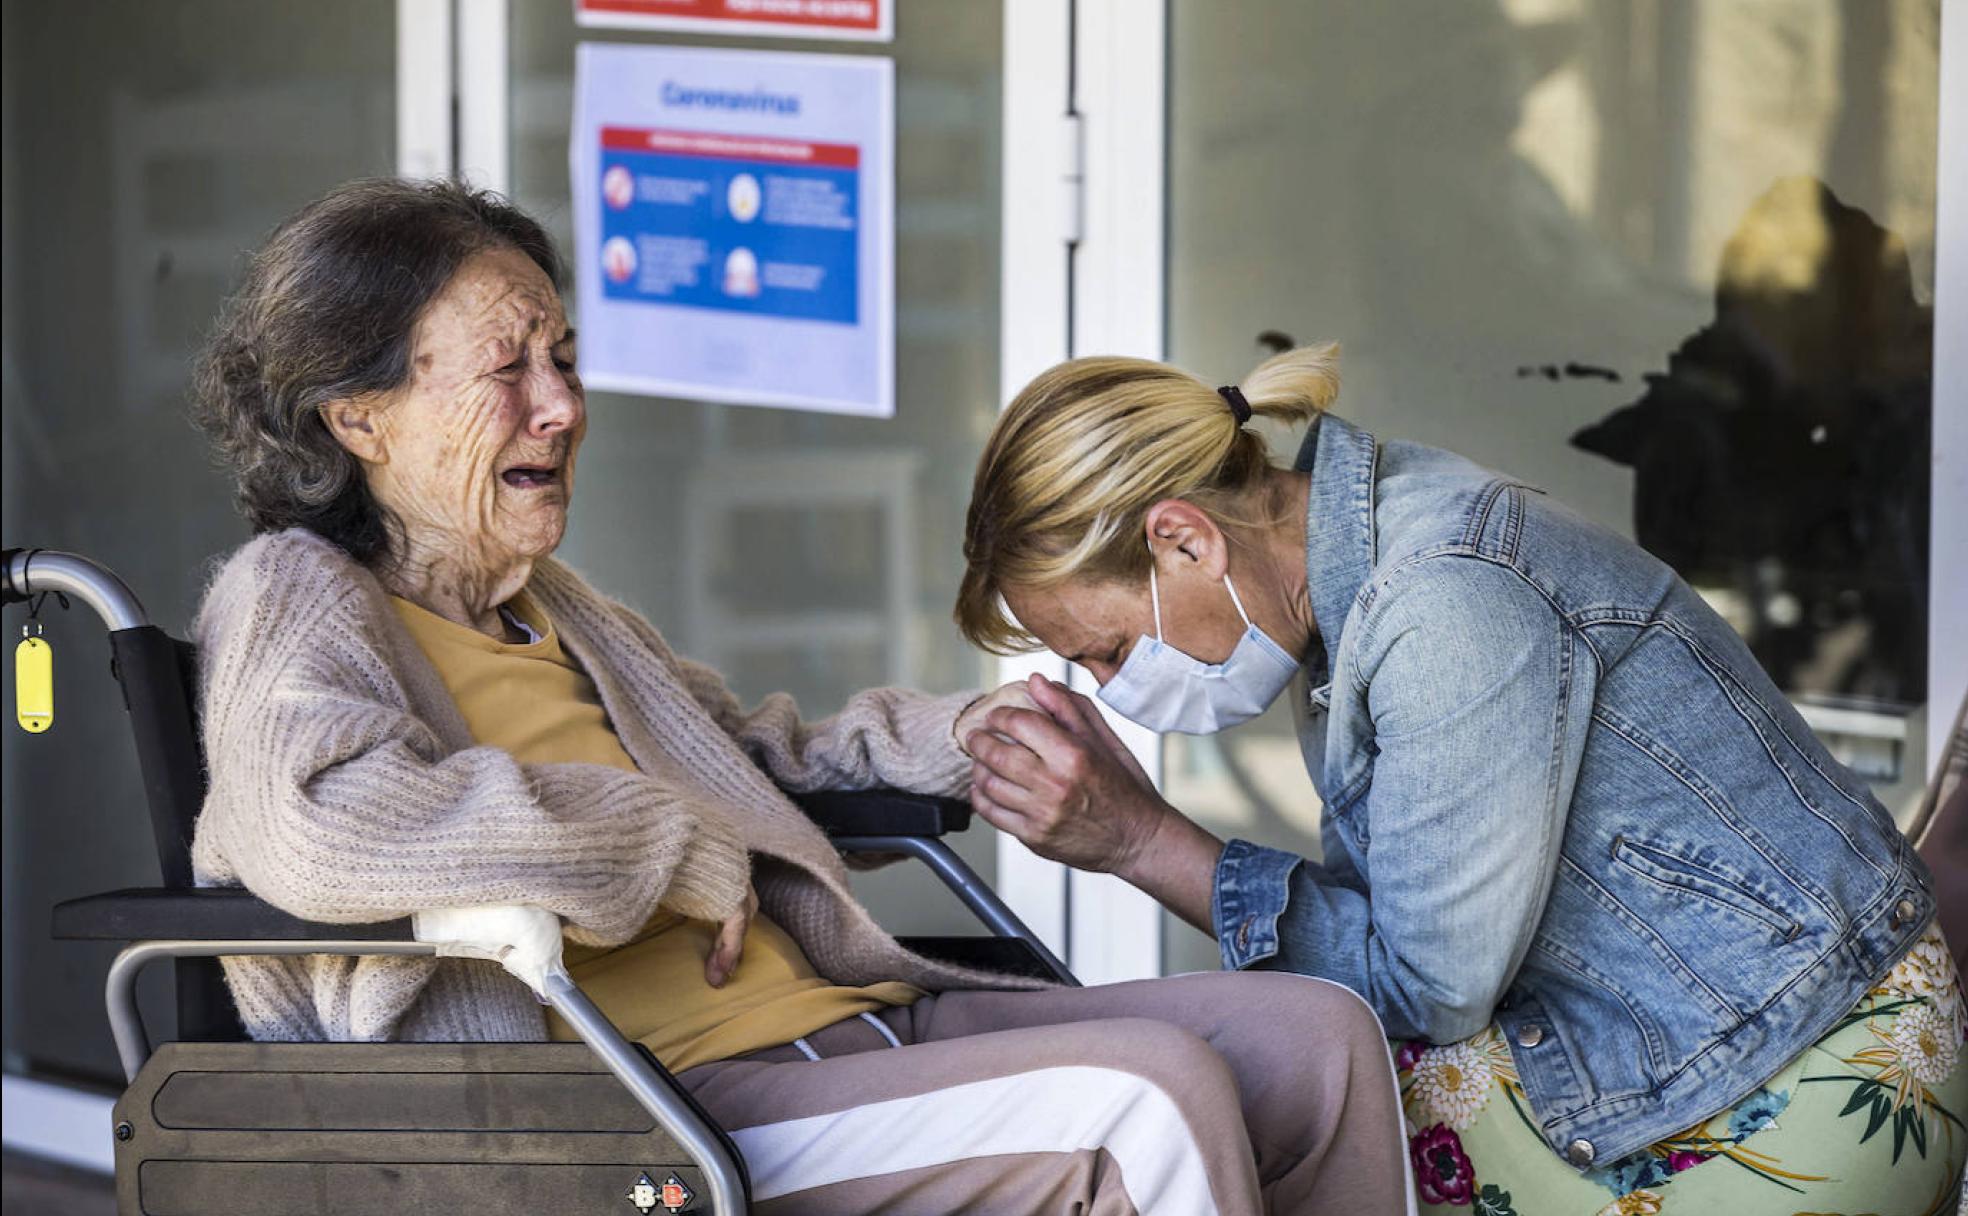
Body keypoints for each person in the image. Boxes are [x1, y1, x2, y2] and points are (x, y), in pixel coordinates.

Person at [185, 178, 1410, 1215]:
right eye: (507, 368)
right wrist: (664, 847)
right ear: (360, 418)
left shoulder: (555, 609)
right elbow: (321, 821)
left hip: (847, 1025)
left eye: (561, 357)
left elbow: (755, 762)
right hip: (648, 1113)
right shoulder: (298, 598)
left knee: (1319, 1036)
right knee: (1146, 1100)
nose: (561, 404)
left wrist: (956, 735)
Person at [954, 345, 1966, 1214]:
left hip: (1798, 1067)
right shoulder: (1350, 573)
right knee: (1252, 1091)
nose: (1111, 687)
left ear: (1185, 538)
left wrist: (1143, 842)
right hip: (1701, 1023)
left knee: (1246, 1120)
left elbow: (1424, 988)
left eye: (1107, 648)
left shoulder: (1444, 604)